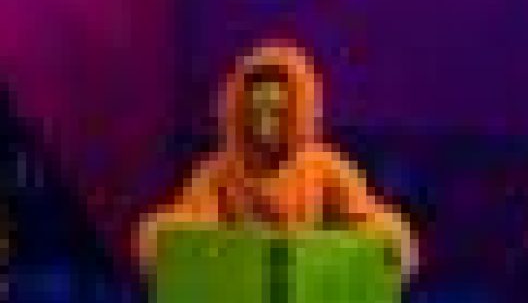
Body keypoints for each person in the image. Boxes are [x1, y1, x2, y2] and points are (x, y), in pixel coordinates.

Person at [134, 40, 416, 275]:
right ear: (240, 111)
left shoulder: (325, 168)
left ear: (297, 112)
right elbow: (187, 224)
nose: (266, 123)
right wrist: (163, 240)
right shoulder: (221, 172)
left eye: (276, 113)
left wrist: (386, 240)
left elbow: (368, 219)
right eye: (257, 112)